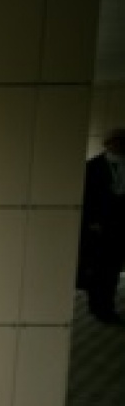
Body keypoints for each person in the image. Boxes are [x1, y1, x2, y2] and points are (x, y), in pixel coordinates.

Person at [77, 128, 125, 324]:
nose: (119, 145)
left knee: (112, 270)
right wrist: (91, 222)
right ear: (107, 144)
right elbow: (86, 197)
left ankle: (107, 307)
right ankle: (98, 306)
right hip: (99, 227)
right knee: (98, 269)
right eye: (116, 141)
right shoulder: (93, 167)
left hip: (120, 226)